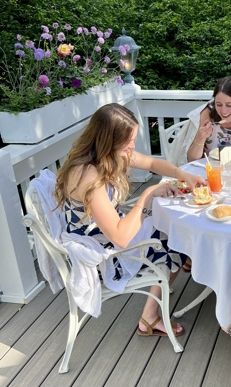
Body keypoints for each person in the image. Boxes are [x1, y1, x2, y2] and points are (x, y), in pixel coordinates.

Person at [54, 103, 206, 337]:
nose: (132, 146)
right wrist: (146, 195)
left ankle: (181, 266)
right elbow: (121, 238)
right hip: (101, 252)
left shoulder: (106, 155)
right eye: (128, 141)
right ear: (109, 139)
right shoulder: (87, 175)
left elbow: (153, 163)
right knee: (177, 243)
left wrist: (183, 175)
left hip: (110, 230)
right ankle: (149, 318)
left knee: (174, 230)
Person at [167, 76, 231, 166]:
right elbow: (192, 159)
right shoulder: (207, 115)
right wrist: (201, 137)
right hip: (208, 171)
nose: (223, 111)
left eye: (229, 105)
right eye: (219, 104)